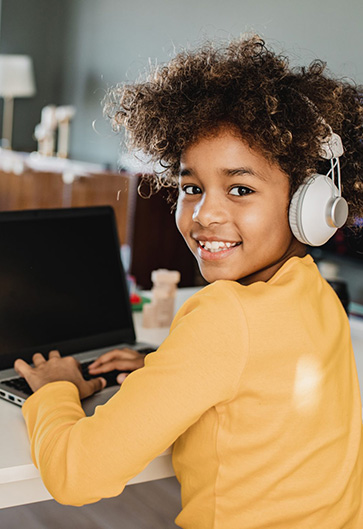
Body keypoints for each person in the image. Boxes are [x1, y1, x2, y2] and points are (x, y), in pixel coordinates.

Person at [14, 36, 363, 528]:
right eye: (191, 187)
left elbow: (76, 475)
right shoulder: (314, 289)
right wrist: (164, 368)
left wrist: (54, 390)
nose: (204, 214)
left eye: (240, 188)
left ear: (307, 202)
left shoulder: (224, 314)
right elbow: (263, 377)